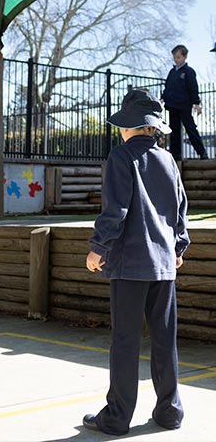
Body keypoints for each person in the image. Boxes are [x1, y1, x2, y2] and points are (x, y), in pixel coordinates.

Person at [83, 89, 189, 436]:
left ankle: (117, 417)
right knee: (164, 340)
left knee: (126, 341)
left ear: (128, 126)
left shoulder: (121, 156)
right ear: (153, 127)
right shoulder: (168, 160)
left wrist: (98, 247)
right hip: (164, 264)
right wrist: (178, 247)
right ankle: (170, 411)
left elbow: (116, 209)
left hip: (130, 263)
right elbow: (180, 210)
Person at [161, 44, 208, 160]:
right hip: (172, 106)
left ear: (185, 56)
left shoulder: (188, 72)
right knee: (174, 131)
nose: (176, 60)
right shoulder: (172, 72)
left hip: (184, 106)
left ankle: (201, 152)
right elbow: (167, 87)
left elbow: (193, 88)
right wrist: (163, 98)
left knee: (190, 128)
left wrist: (196, 103)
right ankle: (175, 155)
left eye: (178, 57)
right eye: (174, 57)